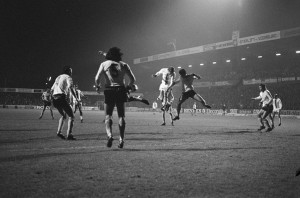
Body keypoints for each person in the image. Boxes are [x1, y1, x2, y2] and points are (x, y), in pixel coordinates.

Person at [95, 47, 136, 148]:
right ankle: (121, 140)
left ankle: (109, 135)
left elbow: (97, 78)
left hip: (109, 90)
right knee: (121, 116)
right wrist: (128, 87)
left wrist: (98, 86)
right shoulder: (124, 64)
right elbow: (133, 79)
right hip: (121, 90)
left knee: (108, 115)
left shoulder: (104, 64)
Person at [51, 66, 78, 140]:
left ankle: (59, 132)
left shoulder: (58, 77)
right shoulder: (68, 77)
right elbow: (71, 87)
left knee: (63, 115)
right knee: (72, 116)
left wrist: (52, 98)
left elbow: (52, 89)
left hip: (55, 99)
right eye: (70, 71)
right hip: (61, 98)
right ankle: (69, 135)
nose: (71, 72)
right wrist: (76, 98)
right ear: (68, 71)